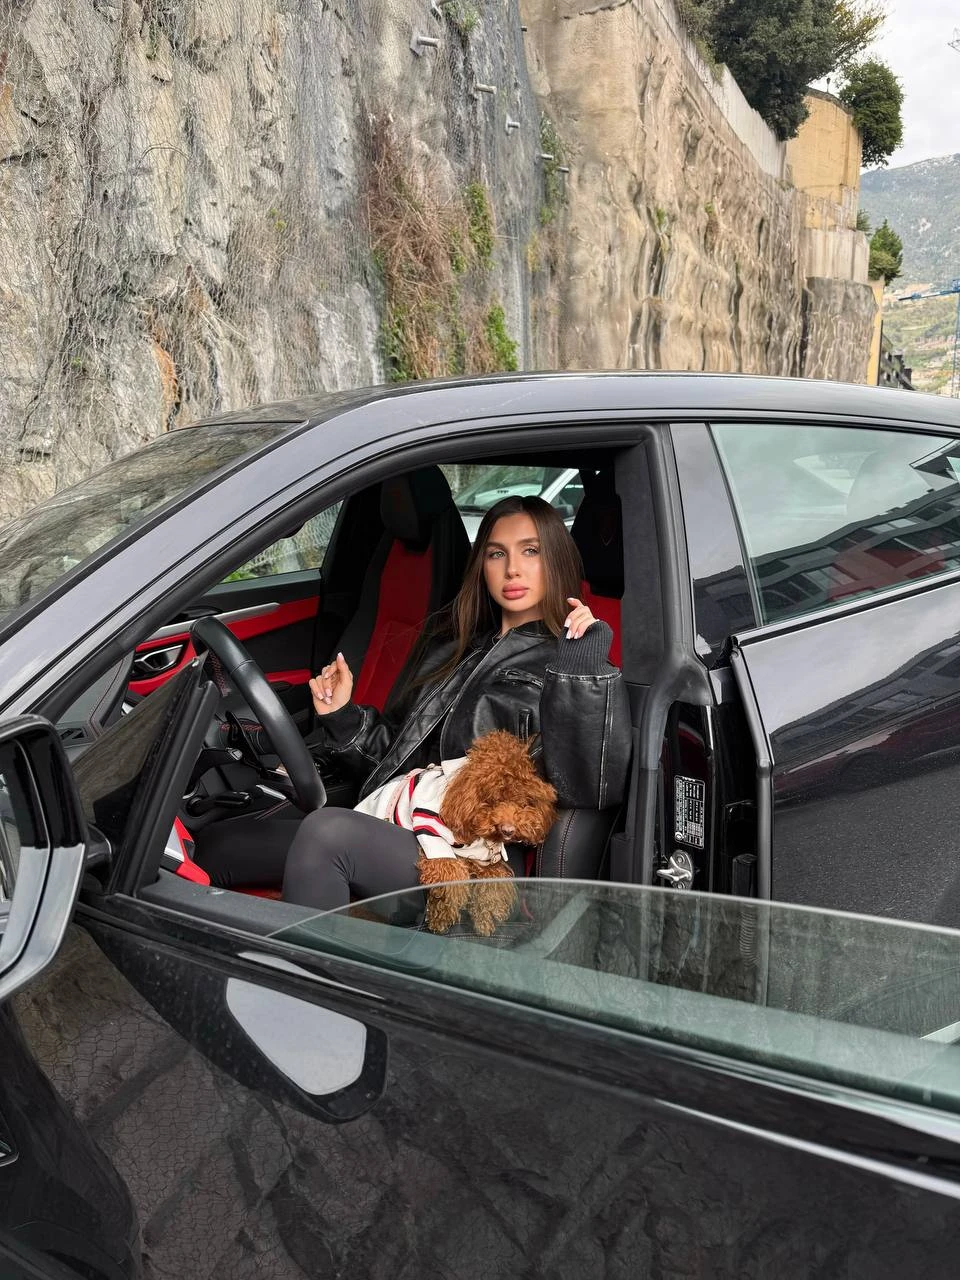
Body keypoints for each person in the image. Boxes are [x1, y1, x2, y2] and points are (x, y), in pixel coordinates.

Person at [278, 494, 632, 912]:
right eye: (496, 554)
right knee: (229, 841)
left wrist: (581, 669)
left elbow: (588, 787)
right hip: (410, 818)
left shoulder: (571, 667)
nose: (512, 569)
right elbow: (400, 761)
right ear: (482, 565)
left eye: (530, 551)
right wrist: (342, 717)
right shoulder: (453, 649)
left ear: (556, 562)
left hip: (476, 856)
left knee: (325, 833)